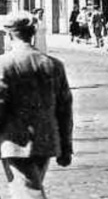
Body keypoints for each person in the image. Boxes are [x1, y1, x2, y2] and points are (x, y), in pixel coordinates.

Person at [0, 11, 73, 198]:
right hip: (47, 140)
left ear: (9, 35)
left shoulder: (4, 64)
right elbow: (65, 109)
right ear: (32, 34)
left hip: (15, 143)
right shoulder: (53, 64)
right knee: (27, 189)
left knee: (28, 193)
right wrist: (66, 146)